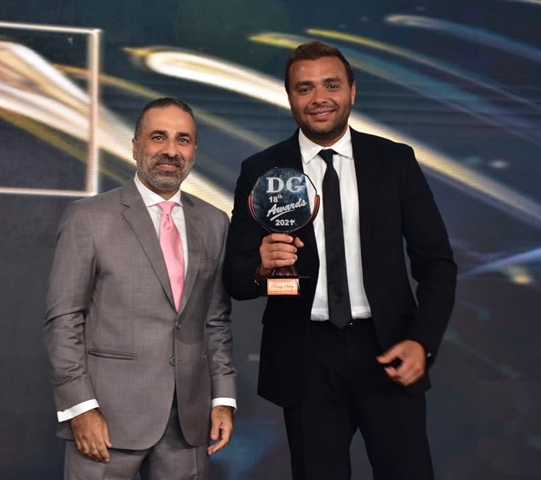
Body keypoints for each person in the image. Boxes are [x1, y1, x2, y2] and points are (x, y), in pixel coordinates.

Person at [223, 42, 456, 479]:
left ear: (352, 90)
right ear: (289, 97)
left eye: (331, 85)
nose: (319, 98)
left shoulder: (395, 161)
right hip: (305, 358)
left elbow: (437, 263)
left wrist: (422, 341)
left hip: (388, 348)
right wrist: (259, 266)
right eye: (304, 88)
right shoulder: (260, 170)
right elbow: (236, 279)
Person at [44, 97, 236, 480]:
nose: (171, 150)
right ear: (135, 146)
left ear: (194, 151)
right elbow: (63, 321)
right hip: (106, 422)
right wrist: (81, 408)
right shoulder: (88, 218)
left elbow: (215, 321)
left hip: (189, 425)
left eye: (183, 140)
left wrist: (223, 398)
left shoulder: (215, 222)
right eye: (158, 137)